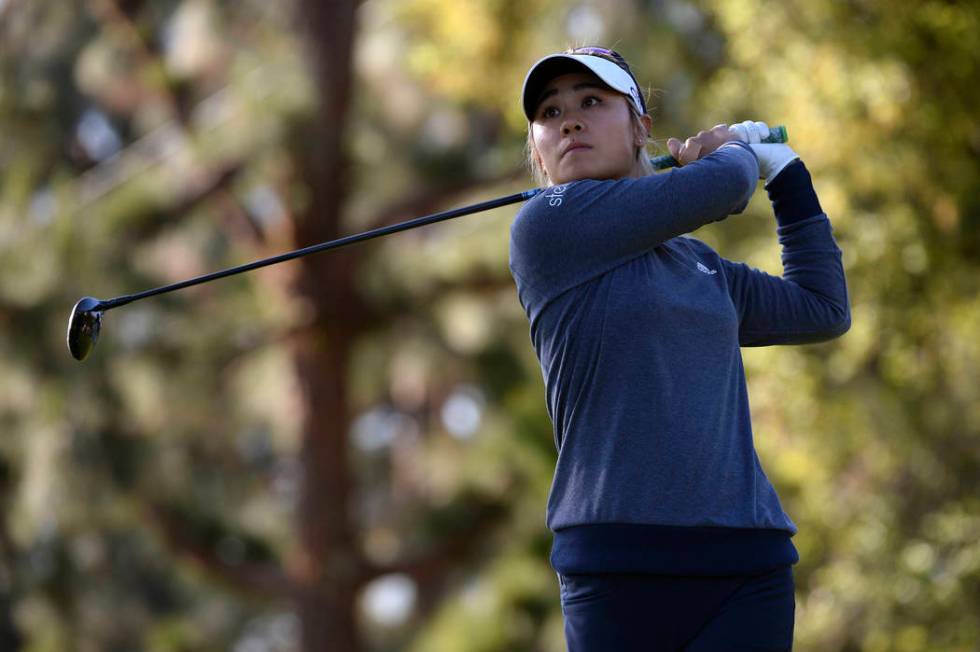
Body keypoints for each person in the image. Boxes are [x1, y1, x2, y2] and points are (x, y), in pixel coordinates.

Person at [508, 46, 850, 651]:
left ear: (642, 128)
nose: (569, 120)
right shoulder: (547, 226)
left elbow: (823, 309)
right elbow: (722, 184)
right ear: (538, 147)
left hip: (746, 564)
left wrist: (788, 172)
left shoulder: (697, 265)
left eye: (592, 101)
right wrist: (741, 154)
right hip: (617, 569)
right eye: (550, 112)